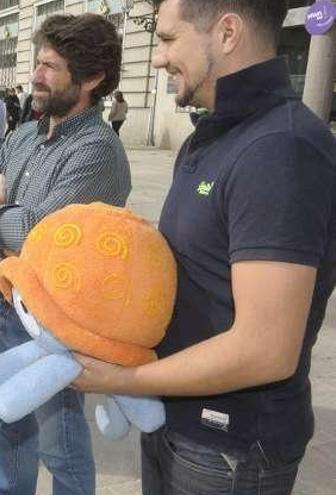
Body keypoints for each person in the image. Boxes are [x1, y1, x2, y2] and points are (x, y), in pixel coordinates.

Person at [72, 1, 336, 494]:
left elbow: (265, 350)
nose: (156, 59)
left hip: (228, 450)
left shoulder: (281, 148)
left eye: (169, 40)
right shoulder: (210, 139)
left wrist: (122, 380)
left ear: (227, 33)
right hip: (177, 422)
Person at [0, 13, 129, 495]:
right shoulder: (22, 137)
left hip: (56, 323)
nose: (35, 76)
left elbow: (41, 233)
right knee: (9, 422)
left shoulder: (97, 152)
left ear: (92, 79)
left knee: (60, 442)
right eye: (38, 63)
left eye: (51, 67)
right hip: (6, 306)